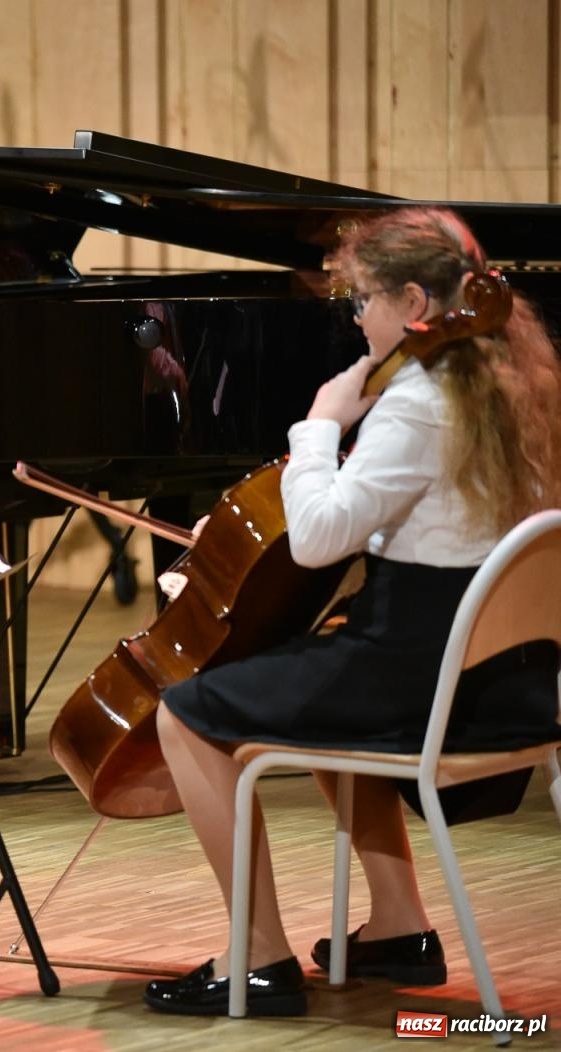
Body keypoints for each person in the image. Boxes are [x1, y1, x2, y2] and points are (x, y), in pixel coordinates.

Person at [144, 206, 561, 1016]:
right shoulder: (516, 387)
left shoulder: (417, 402)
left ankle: (255, 959)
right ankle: (398, 928)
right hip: (511, 682)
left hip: (422, 686)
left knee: (186, 715)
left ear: (411, 302)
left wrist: (318, 430)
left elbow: (319, 539)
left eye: (360, 300)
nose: (356, 318)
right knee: (328, 665)